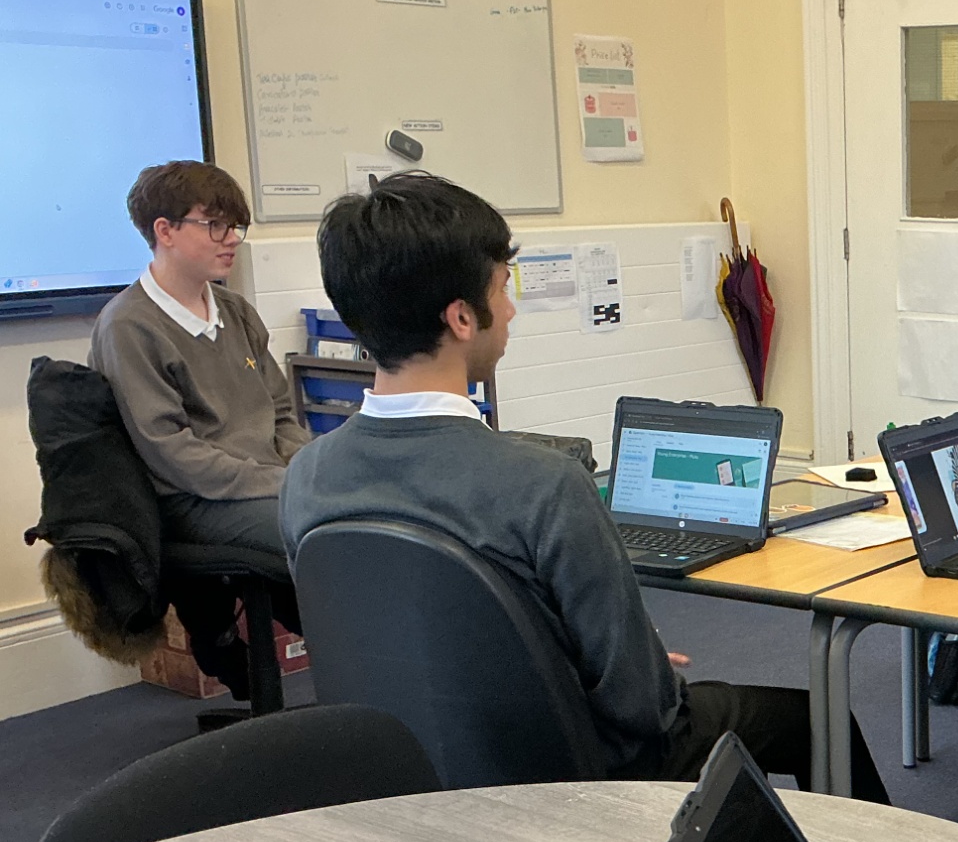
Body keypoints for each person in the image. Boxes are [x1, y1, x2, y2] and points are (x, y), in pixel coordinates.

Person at [283, 173, 888, 796]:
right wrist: (643, 670)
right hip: (572, 772)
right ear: (462, 318)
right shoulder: (542, 485)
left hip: (406, 770)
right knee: (816, 722)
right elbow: (643, 708)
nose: (510, 309)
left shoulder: (307, 476)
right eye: (502, 288)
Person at [89, 161, 309, 689]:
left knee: (350, 509)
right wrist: (282, 483)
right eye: (215, 225)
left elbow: (281, 413)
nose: (231, 239)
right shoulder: (128, 326)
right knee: (313, 528)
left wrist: (306, 467)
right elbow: (171, 452)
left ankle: (371, 668)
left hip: (260, 484)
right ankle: (233, 650)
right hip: (190, 499)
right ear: (164, 231)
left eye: (235, 226)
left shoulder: (235, 311)